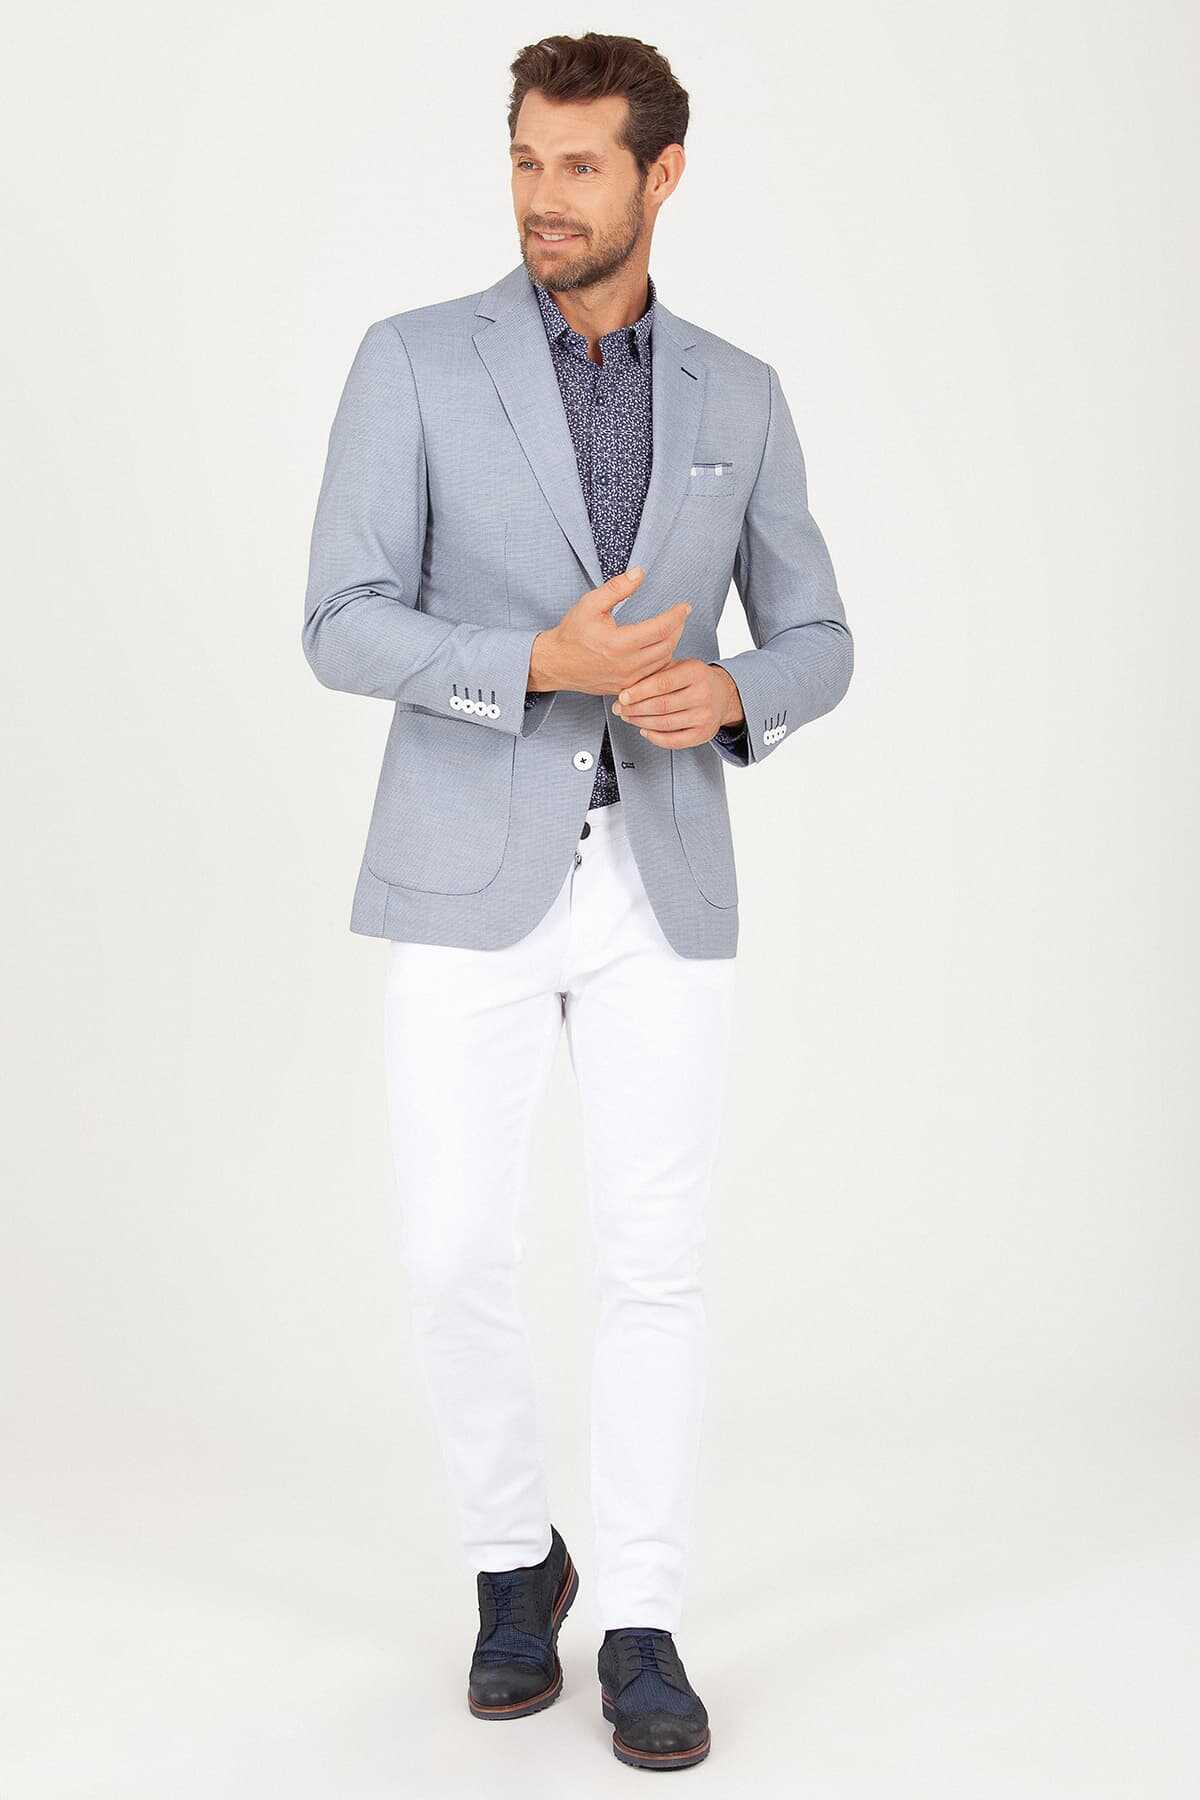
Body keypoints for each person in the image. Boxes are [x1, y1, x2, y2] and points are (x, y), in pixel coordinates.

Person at [302, 29, 854, 1772]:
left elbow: (821, 634)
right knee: (453, 1252)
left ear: (659, 176)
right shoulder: (412, 361)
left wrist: (740, 691)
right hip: (460, 868)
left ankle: (646, 1623)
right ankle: (509, 1562)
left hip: (660, 877)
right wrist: (538, 663)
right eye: (527, 160)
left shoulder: (739, 394)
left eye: (581, 166)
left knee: (654, 1263)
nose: (543, 197)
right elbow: (340, 621)